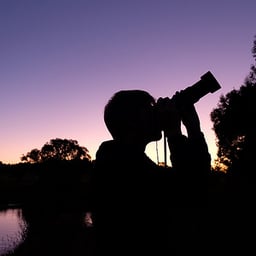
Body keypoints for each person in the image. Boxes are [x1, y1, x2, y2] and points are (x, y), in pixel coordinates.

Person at [91, 89, 211, 255]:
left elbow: (198, 179)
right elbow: (192, 191)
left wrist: (193, 127)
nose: (156, 112)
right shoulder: (122, 167)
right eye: (150, 108)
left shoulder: (119, 159)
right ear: (131, 121)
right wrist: (174, 133)